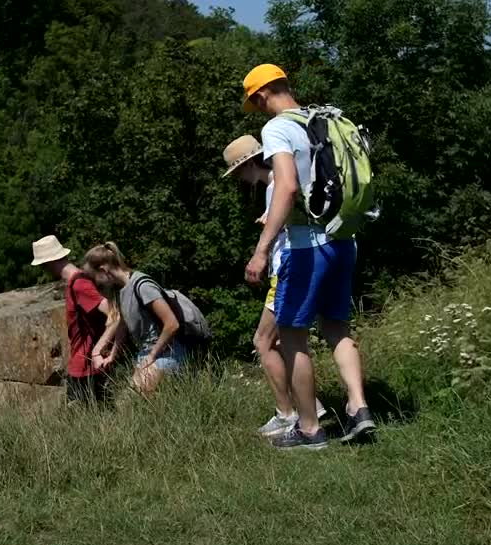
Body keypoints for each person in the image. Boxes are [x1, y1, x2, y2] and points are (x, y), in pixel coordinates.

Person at [241, 63, 375, 450]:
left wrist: (261, 250)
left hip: (305, 247)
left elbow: (286, 187)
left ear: (261, 95)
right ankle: (359, 407)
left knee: (292, 336)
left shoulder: (277, 128)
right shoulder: (327, 118)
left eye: (256, 104)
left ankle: (310, 428)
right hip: (343, 238)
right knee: (337, 328)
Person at [221, 135, 328, 436]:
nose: (240, 180)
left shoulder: (273, 186)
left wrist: (266, 234)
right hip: (304, 264)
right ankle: (312, 405)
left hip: (285, 271)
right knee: (284, 342)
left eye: (237, 173)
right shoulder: (284, 178)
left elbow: (283, 224)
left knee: (262, 341)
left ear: (246, 166)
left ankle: (286, 413)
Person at [83, 242, 210, 396]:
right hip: (149, 351)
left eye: (94, 279)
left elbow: (172, 324)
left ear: (104, 270)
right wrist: (113, 355)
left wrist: (152, 355)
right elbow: (123, 324)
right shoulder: (120, 290)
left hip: (168, 350)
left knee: (131, 401)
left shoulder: (143, 286)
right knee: (134, 403)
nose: (96, 284)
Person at [31, 235, 117, 405]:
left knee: (82, 413)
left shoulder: (80, 285)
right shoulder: (79, 281)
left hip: (87, 367)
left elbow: (114, 313)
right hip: (85, 365)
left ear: (47, 263)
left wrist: (97, 350)